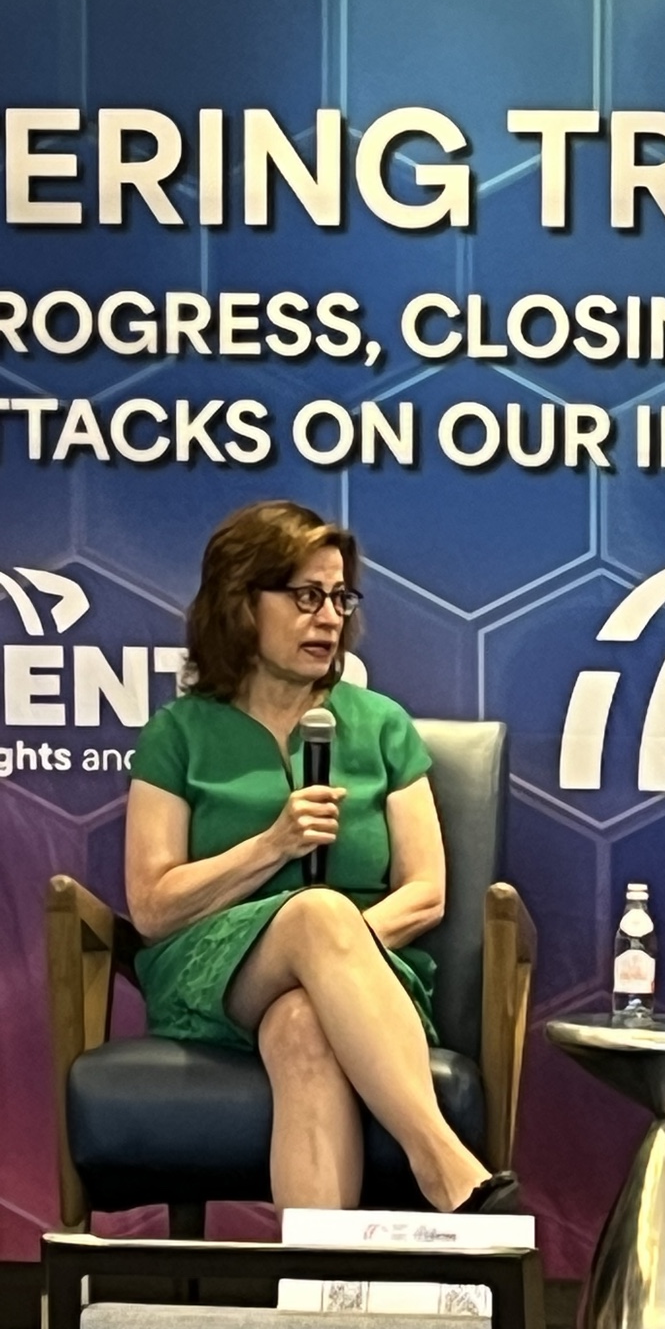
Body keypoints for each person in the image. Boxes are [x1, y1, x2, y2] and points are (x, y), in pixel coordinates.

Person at [126, 499, 513, 1213]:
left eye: (340, 597)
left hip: (372, 971)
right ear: (242, 602)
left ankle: (317, 1278)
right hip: (210, 977)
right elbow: (152, 907)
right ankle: (444, 1163)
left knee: (304, 1022)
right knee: (316, 915)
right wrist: (271, 847)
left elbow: (426, 892)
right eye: (306, 596)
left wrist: (336, 954)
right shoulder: (178, 733)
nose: (329, 617)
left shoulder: (381, 725)